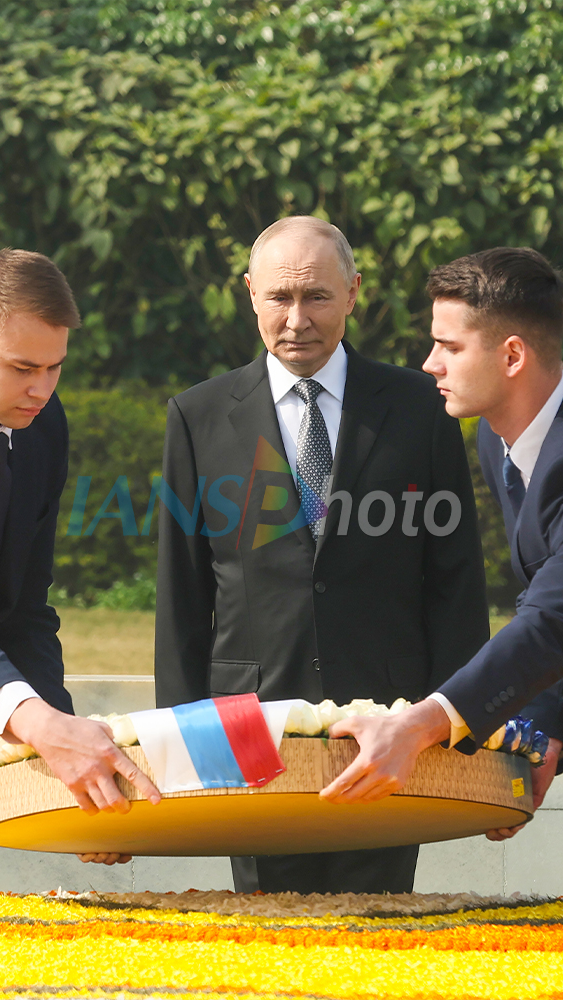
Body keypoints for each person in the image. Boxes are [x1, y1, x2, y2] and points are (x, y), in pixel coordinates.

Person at [155, 216, 489, 894]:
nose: (296, 319)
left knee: (376, 936)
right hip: (248, 737)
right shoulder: (196, 416)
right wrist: (175, 754)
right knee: (264, 943)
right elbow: (182, 600)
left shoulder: (421, 407)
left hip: (389, 733)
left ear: (353, 292)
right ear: (250, 293)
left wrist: (459, 735)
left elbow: (454, 583)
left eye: (317, 297)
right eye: (278, 297)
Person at [320, 247, 563, 832]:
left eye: (449, 347)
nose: (430, 364)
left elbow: (552, 617)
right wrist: (544, 730)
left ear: (512, 356)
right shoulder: (495, 439)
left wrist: (417, 726)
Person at [0, 250, 160, 861]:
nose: (42, 390)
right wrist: (48, 734)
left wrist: (75, 770)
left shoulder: (43, 427)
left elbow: (22, 610)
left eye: (55, 368)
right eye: (23, 368)